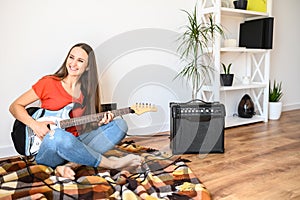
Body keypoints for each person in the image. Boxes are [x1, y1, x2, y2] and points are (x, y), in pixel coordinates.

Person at [9, 43, 143, 180]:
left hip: (76, 141)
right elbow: (15, 106)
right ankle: (112, 163)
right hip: (49, 148)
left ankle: (70, 165)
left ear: (88, 66)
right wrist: (35, 125)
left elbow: (85, 127)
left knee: (120, 125)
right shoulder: (48, 83)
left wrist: (102, 121)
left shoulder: (86, 91)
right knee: (60, 136)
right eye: (71, 57)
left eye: (80, 61)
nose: (73, 63)